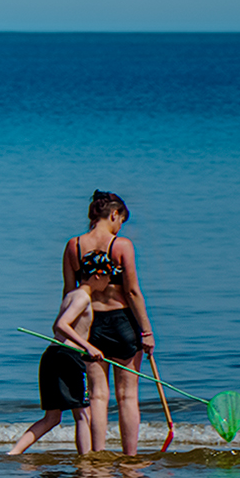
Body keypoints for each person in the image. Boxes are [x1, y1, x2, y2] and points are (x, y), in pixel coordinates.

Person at [62, 191, 156, 455]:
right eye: (121, 220)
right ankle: (130, 455)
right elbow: (133, 292)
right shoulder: (122, 245)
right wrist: (146, 331)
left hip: (88, 326)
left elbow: (69, 293)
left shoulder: (74, 246)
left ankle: (98, 455)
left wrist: (68, 334)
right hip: (122, 323)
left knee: (97, 396)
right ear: (114, 214)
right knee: (127, 396)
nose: (120, 227)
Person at [7, 280, 107, 456]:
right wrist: (88, 347)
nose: (109, 281)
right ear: (97, 275)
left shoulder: (71, 295)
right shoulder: (83, 297)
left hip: (52, 354)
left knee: (52, 418)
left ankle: (14, 453)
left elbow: (57, 326)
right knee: (83, 415)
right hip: (68, 357)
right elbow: (61, 325)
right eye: (108, 276)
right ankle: (86, 460)